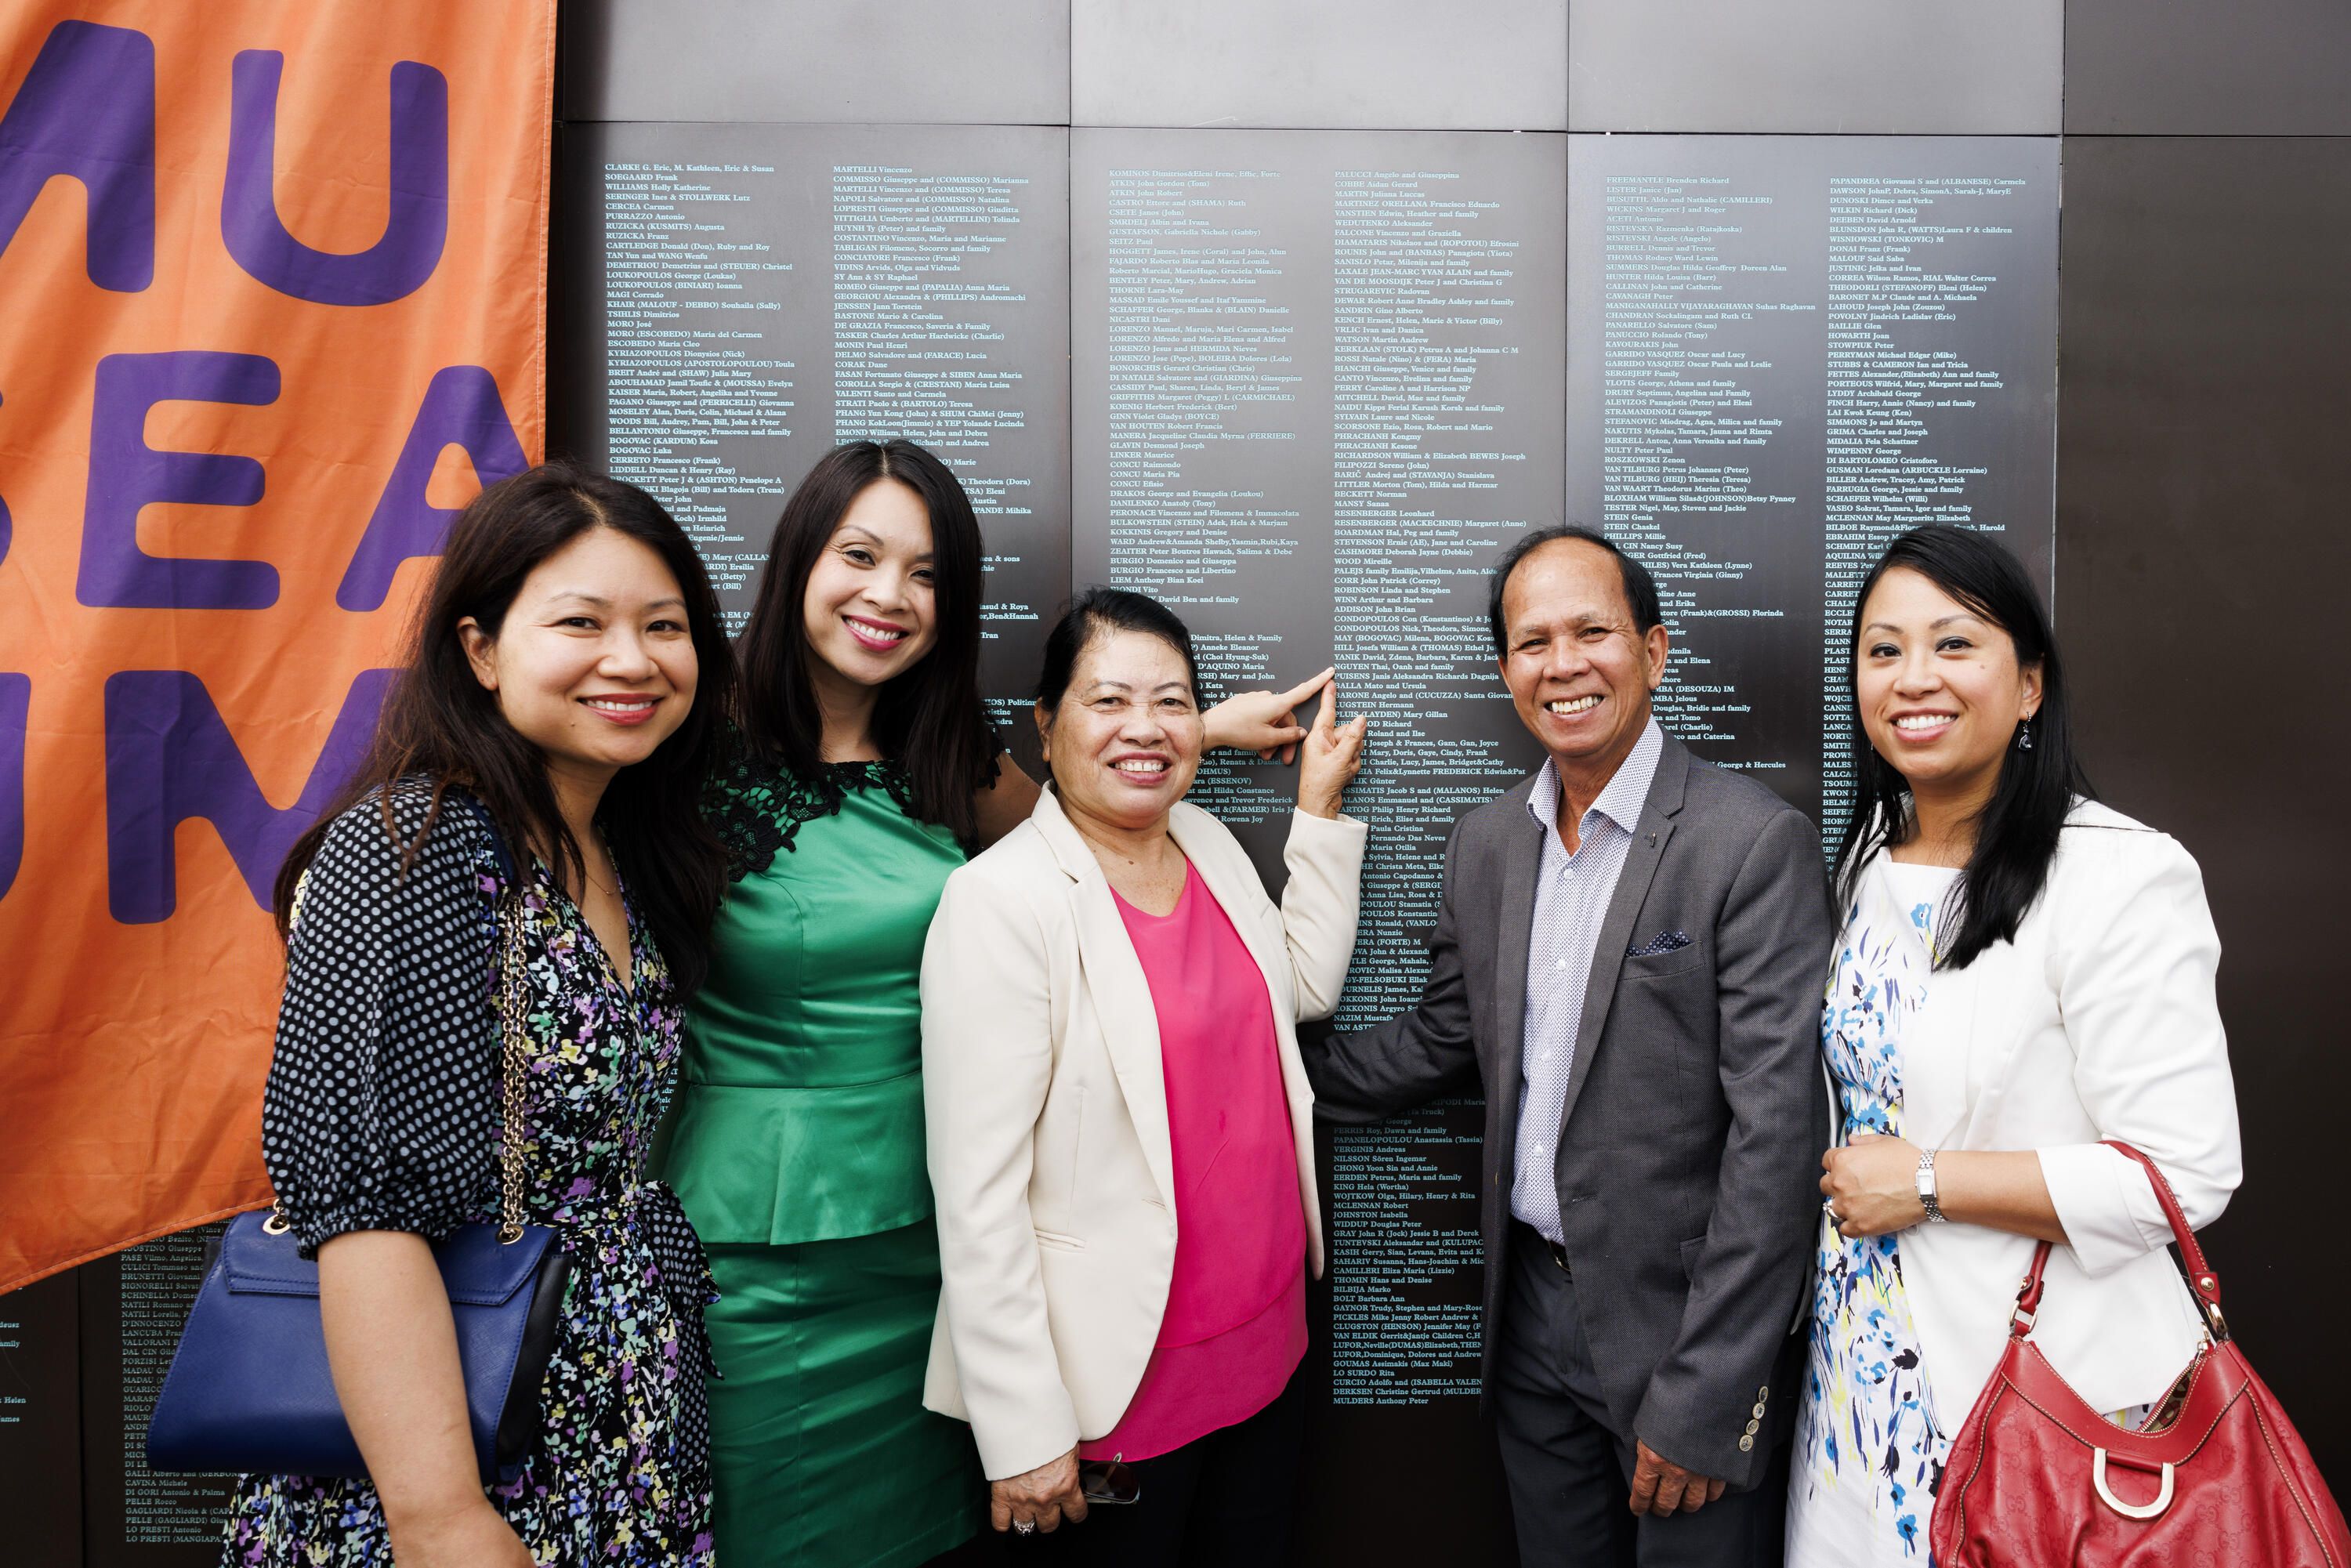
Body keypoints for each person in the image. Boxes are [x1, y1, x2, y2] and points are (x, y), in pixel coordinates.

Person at [656, 442, 1341, 1568]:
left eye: (926, 574)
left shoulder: (949, 753)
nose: (890, 595)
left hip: (927, 1247)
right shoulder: (682, 744)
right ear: (798, 560)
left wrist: (1192, 730)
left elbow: (1086, 812)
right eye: (860, 556)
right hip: (775, 1234)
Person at [222, 465, 734, 1567]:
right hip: (457, 1434)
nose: (632, 660)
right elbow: (364, 1203)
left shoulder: (621, 846)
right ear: (483, 649)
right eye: (581, 623)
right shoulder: (413, 848)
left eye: (664, 626)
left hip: (612, 1416)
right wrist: (439, 1513)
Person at [1304, 526, 1832, 1567]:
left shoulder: (1750, 843)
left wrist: (1706, 1395)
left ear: (1654, 651)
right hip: (1530, 1329)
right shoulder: (1489, 842)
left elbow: (1776, 1144)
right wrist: (1266, 1071)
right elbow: (1445, 1037)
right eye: (1533, 642)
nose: (1563, 664)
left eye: (1593, 632)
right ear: (1508, 671)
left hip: (1680, 1337)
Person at [1789, 526, 2241, 1564]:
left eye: (1955, 644)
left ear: (2030, 686)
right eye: (1885, 649)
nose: (1915, 677)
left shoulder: (2118, 874)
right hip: (1861, 1388)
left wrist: (1928, 1183)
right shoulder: (1866, 860)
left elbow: (2184, 1171)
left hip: (2042, 1396)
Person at [919, 587, 1370, 1563]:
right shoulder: (1000, 902)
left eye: (1173, 703)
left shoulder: (1204, 841)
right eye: (1109, 701)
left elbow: (1298, 987)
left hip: (1268, 1350)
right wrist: (1024, 1430)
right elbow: (977, 1194)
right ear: (1047, 726)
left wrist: (1319, 813)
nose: (1146, 727)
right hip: (1112, 1394)